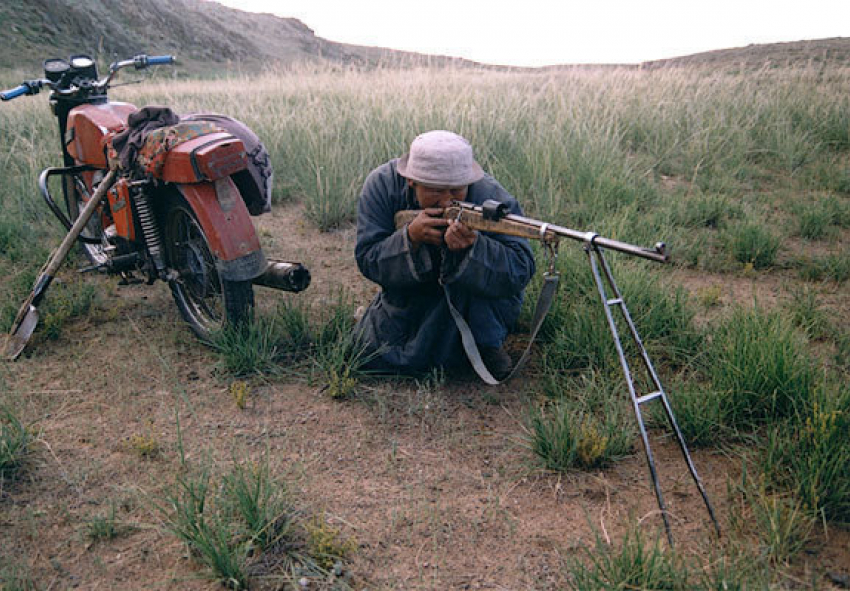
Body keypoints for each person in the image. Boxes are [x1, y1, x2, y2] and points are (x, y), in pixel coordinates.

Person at [353, 130, 535, 378]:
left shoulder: (490, 195)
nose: (447, 202)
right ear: (411, 181)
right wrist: (410, 239)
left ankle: (485, 345)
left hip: (477, 304)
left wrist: (473, 248)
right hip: (410, 298)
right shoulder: (381, 185)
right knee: (366, 354)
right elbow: (368, 258)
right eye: (436, 191)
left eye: (456, 191)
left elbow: (519, 270)